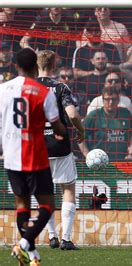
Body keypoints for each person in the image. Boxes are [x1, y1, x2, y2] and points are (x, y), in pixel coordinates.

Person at [1, 48, 66, 265]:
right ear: (35, 67)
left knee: (22, 205)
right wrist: (61, 132)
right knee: (47, 205)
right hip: (35, 156)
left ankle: (31, 255)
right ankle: (25, 244)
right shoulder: (42, 92)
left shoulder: (2, 90)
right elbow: (56, 124)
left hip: (11, 155)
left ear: (16, 66)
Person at [37, 50, 84, 250]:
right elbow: (72, 114)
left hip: (36, 146)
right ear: (54, 67)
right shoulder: (60, 87)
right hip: (59, 144)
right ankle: (66, 238)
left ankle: (52, 236)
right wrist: (81, 130)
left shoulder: (26, 88)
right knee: (68, 188)